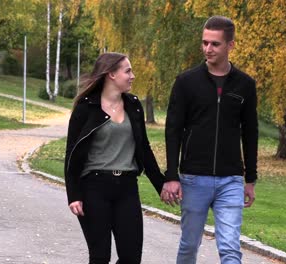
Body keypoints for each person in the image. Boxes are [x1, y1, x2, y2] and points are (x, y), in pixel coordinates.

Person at [161, 15, 258, 264]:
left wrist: (251, 179)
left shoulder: (245, 85)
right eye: (205, 43)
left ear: (230, 45)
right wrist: (172, 176)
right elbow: (173, 131)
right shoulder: (186, 82)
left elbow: (250, 132)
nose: (207, 49)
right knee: (189, 246)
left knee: (230, 249)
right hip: (194, 178)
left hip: (231, 180)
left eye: (215, 44)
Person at [64, 52, 164, 264]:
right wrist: (73, 194)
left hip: (127, 187)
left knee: (131, 257)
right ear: (111, 74)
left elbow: (144, 148)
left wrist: (162, 185)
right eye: (128, 71)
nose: (132, 76)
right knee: (100, 257)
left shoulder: (133, 105)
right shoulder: (86, 107)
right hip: (94, 187)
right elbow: (72, 153)